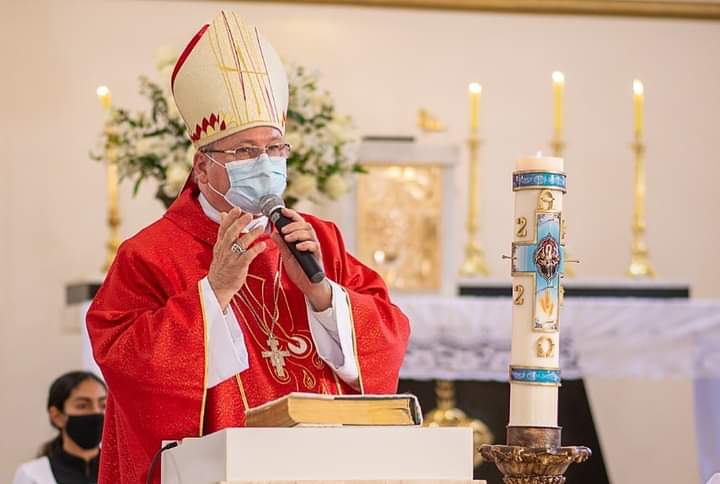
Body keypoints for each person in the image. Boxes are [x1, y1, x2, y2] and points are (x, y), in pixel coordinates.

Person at [86, 10, 410, 484]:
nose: (263, 161)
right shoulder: (150, 254)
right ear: (202, 168)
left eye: (274, 148)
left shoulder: (319, 238)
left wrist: (322, 296)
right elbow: (126, 363)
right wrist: (213, 292)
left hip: (320, 466)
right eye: (243, 151)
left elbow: (389, 336)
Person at [12, 371, 106, 484]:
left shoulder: (121, 469)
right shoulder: (32, 475)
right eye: (82, 406)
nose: (96, 412)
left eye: (103, 405)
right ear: (57, 416)